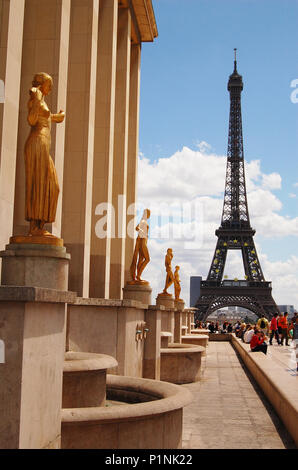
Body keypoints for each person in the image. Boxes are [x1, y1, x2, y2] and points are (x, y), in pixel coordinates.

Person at [25, 73, 65, 236]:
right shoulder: (36, 96)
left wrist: (57, 117)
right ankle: (35, 227)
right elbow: (32, 120)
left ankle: (40, 224)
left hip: (43, 145)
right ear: (42, 85)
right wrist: (36, 99)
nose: (51, 88)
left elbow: (44, 117)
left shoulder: (41, 100)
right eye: (50, 84)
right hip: (37, 143)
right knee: (38, 182)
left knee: (53, 186)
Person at [129, 209, 150, 283]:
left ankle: (138, 276)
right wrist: (142, 232)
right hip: (143, 241)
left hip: (144, 241)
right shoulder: (143, 221)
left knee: (141, 259)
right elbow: (136, 228)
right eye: (149, 213)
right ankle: (138, 275)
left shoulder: (144, 221)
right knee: (147, 259)